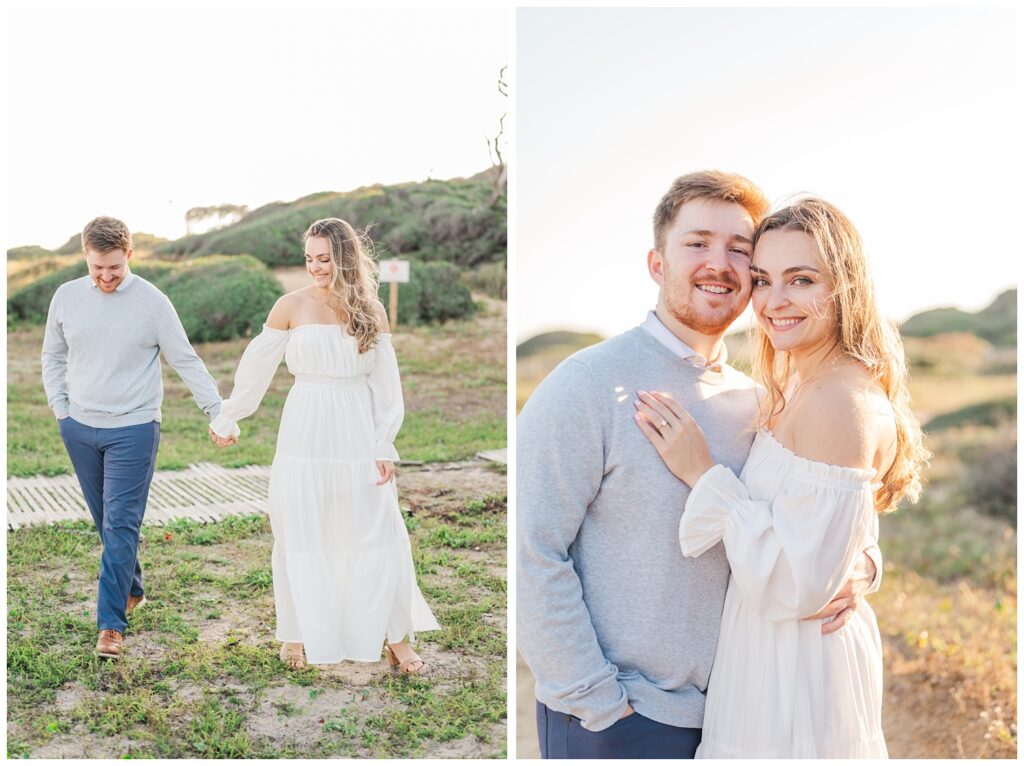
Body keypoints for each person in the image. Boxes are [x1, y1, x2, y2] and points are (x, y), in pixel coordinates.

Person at [517, 172, 883, 759]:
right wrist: (598, 705)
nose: (720, 263)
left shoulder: (763, 401)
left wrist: (862, 568)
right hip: (624, 719)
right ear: (657, 263)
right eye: (697, 243)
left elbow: (828, 520)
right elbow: (531, 551)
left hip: (739, 714)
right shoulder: (584, 385)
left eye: (740, 250)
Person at [634, 197, 928, 756]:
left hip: (799, 664)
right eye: (763, 280)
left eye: (801, 280)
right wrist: (863, 566)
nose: (773, 302)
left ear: (844, 286)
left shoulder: (841, 400)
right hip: (769, 650)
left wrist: (705, 474)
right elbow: (836, 529)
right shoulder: (800, 383)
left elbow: (797, 585)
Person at [208, 217, 439, 671]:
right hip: (305, 427)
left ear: (345, 259)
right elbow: (256, 370)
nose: (315, 268)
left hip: (355, 427)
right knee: (301, 529)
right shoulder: (288, 306)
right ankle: (296, 633)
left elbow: (385, 386)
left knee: (374, 528)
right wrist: (229, 416)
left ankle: (396, 639)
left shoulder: (371, 310)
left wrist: (383, 444)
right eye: (309, 259)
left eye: (325, 259)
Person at [42, 216, 225, 660]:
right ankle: (133, 587)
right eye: (97, 268)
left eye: (115, 269)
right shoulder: (66, 297)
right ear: (86, 256)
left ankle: (110, 626)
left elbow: (185, 358)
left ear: (130, 256)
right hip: (80, 427)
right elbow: (52, 354)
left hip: (134, 428)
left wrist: (217, 410)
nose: (106, 277)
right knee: (108, 522)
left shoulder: (153, 302)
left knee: (121, 523)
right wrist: (61, 411)